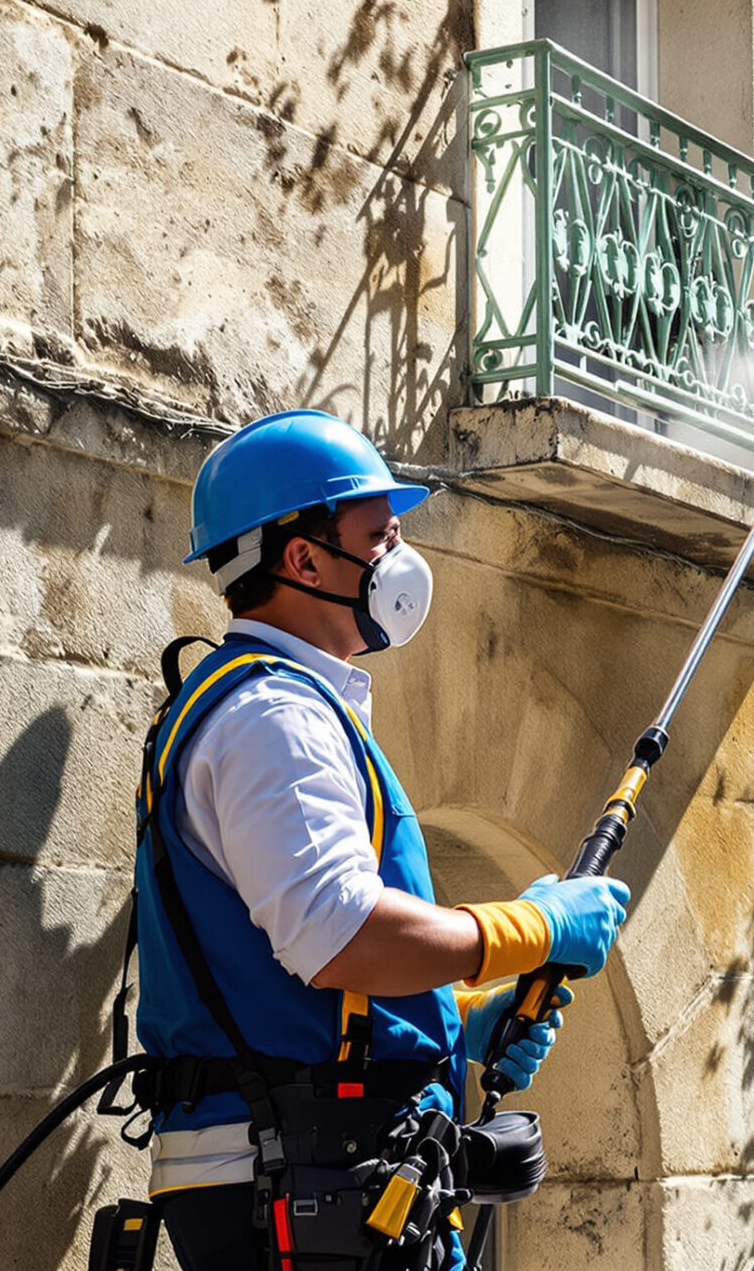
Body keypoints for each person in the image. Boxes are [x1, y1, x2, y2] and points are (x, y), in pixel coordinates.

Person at [135, 409, 632, 1270]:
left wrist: (455, 1021)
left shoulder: (273, 705)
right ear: (303, 558)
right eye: (381, 533)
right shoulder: (275, 718)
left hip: (318, 1169)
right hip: (300, 1179)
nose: (398, 557)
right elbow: (343, 934)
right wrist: (535, 927)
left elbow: (300, 974)